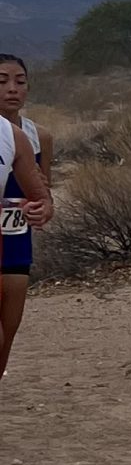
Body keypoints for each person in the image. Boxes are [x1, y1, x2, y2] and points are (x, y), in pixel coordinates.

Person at [0, 54, 54, 378]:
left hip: (18, 241)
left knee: (8, 335)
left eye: (20, 81)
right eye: (2, 81)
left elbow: (44, 194)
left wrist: (41, 209)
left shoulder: (36, 136)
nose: (12, 89)